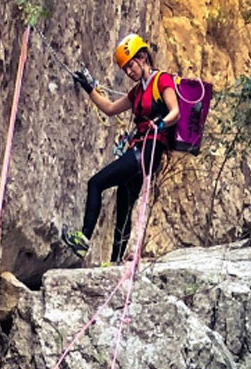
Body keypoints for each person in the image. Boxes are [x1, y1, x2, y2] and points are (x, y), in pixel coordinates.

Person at [62, 34, 180, 263]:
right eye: (125, 69)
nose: (129, 72)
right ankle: (115, 263)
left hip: (148, 151)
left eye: (131, 65)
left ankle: (83, 239)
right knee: (123, 209)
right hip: (141, 150)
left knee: (95, 183)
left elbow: (175, 111)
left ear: (143, 57)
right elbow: (109, 108)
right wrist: (89, 88)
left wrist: (161, 123)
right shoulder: (137, 92)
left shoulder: (162, 81)